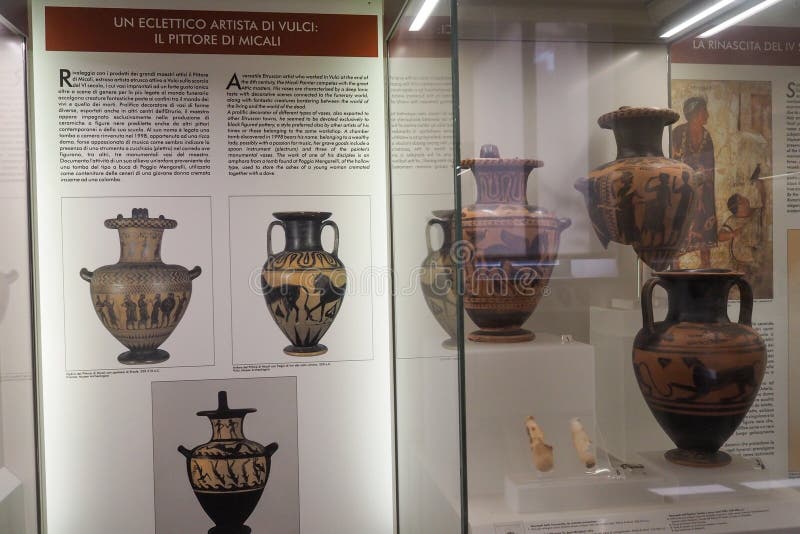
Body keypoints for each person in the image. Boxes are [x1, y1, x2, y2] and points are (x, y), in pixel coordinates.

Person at [672, 96, 718, 267]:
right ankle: (675, 269)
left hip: (704, 188)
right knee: (680, 226)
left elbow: (710, 167)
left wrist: (701, 180)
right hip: (683, 187)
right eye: (704, 111)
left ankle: (705, 265)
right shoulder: (678, 133)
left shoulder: (707, 136)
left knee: (704, 223)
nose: (707, 114)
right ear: (695, 113)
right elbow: (673, 162)